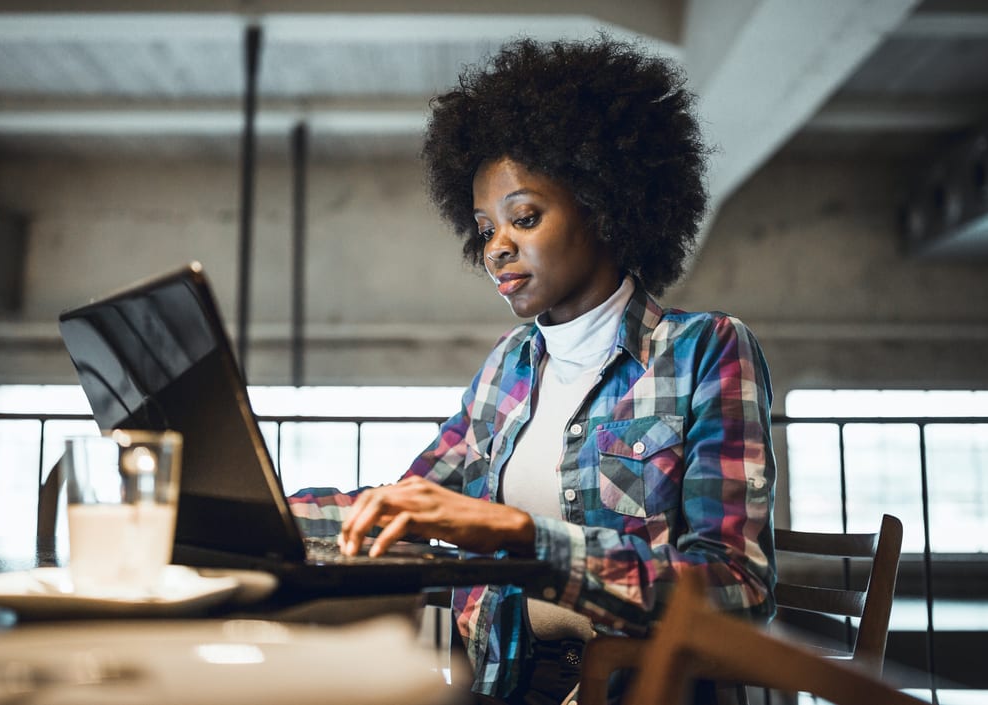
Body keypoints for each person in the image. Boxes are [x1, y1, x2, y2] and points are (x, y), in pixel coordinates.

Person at [288, 35, 776, 705]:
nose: (496, 250)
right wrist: (252, 513)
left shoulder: (707, 351)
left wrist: (519, 534)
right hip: (505, 686)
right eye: (485, 227)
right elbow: (404, 503)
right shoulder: (509, 368)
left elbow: (734, 587)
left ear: (606, 207)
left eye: (524, 217)